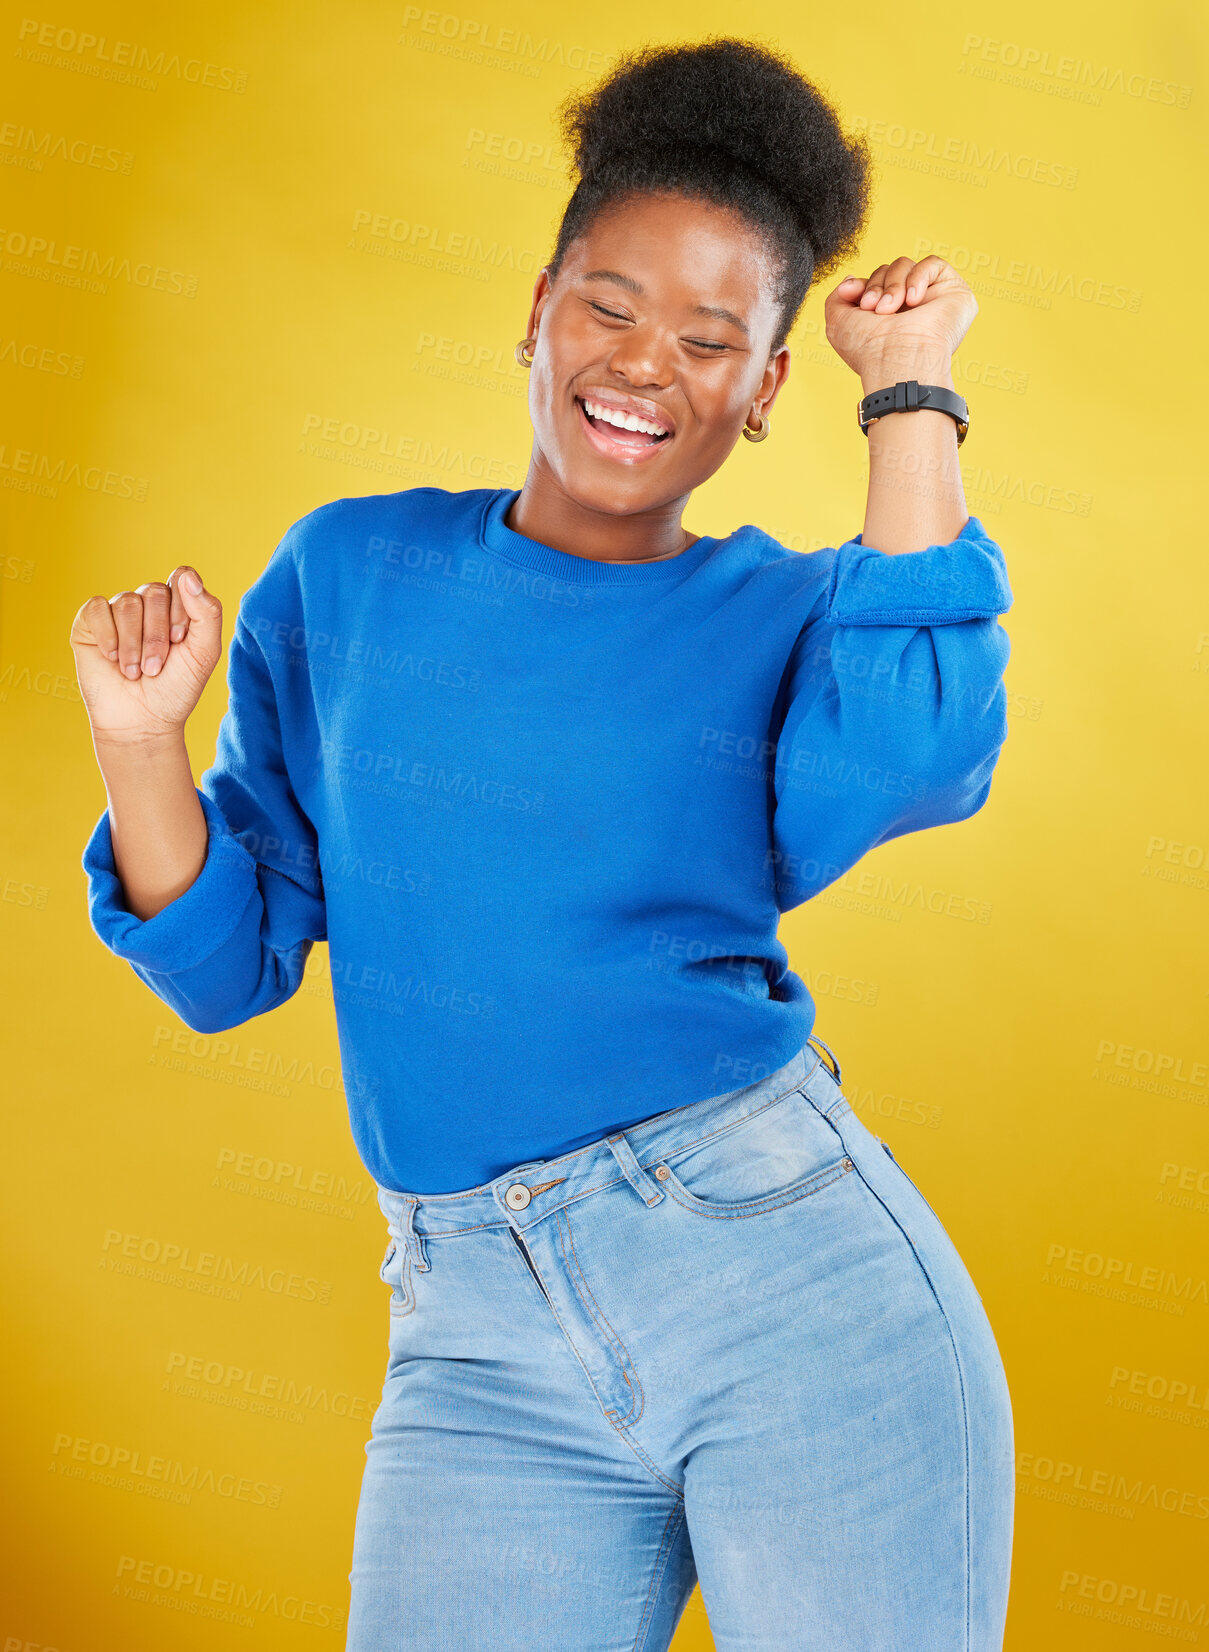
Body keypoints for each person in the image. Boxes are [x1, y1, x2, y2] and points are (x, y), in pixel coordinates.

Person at [71, 35, 1015, 1652]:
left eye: (713, 338)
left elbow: (925, 750)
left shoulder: (781, 610)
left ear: (767, 387)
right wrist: (138, 740)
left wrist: (908, 387)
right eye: (609, 304)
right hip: (474, 1336)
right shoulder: (347, 575)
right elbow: (227, 965)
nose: (646, 363)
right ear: (534, 308)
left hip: (786, 1280)